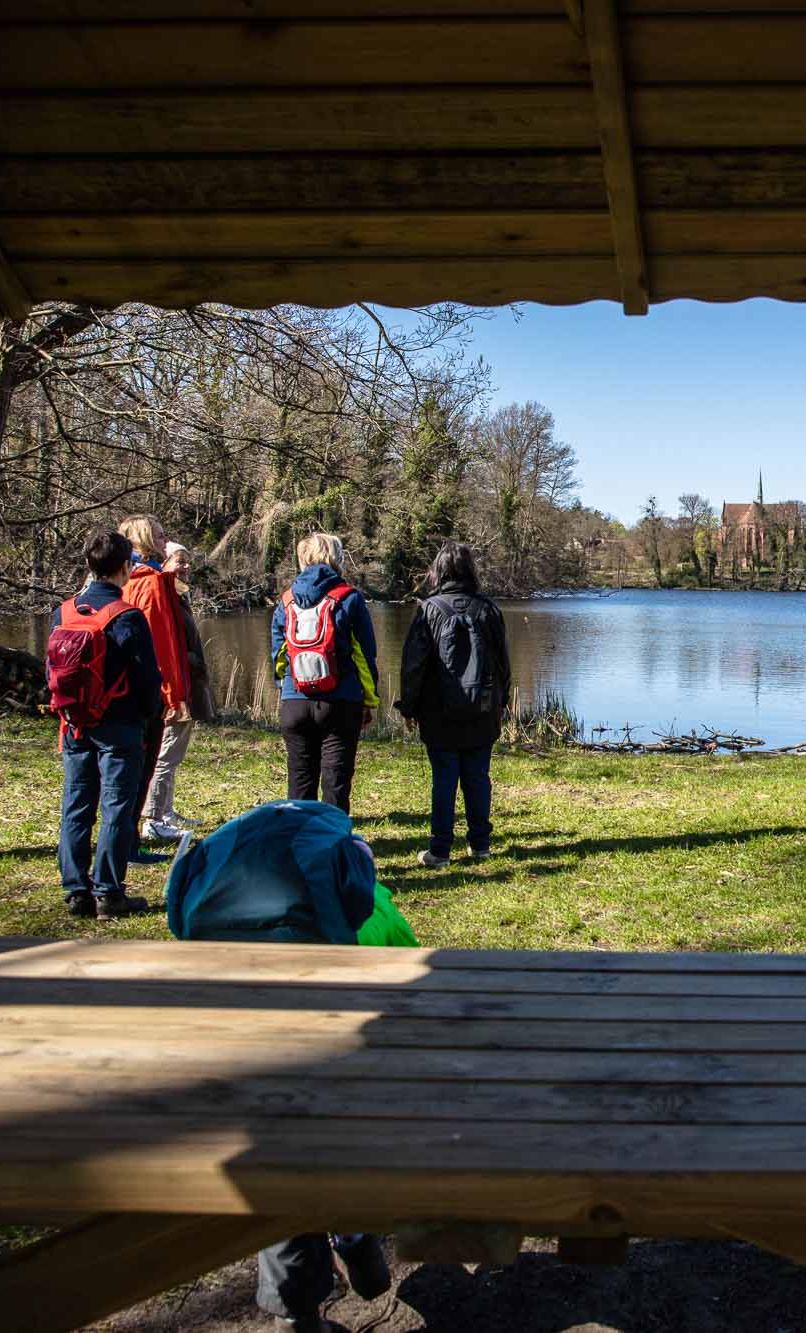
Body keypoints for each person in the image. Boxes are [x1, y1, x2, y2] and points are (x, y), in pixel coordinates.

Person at [164, 800, 405, 1331]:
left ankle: (295, 1313)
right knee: (337, 1142)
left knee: (278, 1158)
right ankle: (357, 1239)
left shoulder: (212, 901)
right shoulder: (365, 914)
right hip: (343, 1063)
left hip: (246, 1061)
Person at [54, 529, 162, 920]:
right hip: (120, 724)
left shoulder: (63, 612)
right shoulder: (127, 616)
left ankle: (75, 891)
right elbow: (148, 678)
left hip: (76, 723)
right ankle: (108, 891)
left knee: (76, 804)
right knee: (117, 807)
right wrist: (151, 714)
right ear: (126, 567)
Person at [397, 542, 511, 867]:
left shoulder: (429, 609)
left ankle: (440, 850)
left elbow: (413, 665)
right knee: (478, 776)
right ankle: (481, 846)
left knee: (444, 778)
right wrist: (502, 701)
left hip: (438, 711)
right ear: (471, 570)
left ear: (438, 571)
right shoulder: (488, 610)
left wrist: (409, 707)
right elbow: (503, 663)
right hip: (483, 708)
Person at [271, 532, 378, 813]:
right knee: (336, 783)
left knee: (300, 780)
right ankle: (332, 844)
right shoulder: (349, 598)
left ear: (302, 558)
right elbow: (365, 657)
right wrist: (369, 699)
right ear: (336, 558)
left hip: (295, 701)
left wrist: (285, 691)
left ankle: (298, 845)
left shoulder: (286, 601)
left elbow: (279, 657)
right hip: (341, 701)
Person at [140, 540, 211, 834]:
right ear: (164, 563)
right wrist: (189, 660)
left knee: (175, 750)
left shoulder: (177, 595)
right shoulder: (162, 596)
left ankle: (165, 810)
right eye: (179, 561)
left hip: (186, 681)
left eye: (188, 562)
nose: (186, 568)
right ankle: (154, 818)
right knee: (166, 752)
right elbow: (164, 644)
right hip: (174, 684)